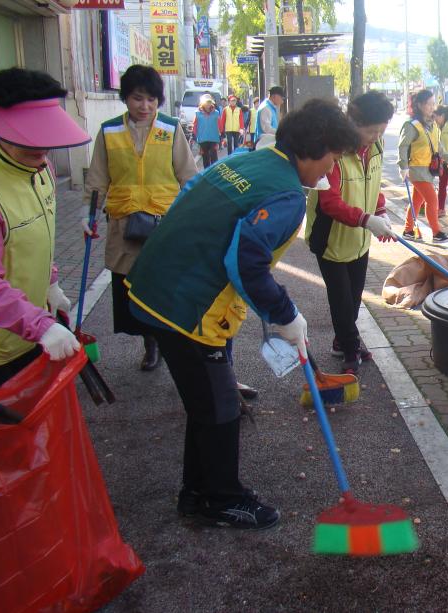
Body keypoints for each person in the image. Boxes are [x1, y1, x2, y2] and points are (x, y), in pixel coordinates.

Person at [126, 99, 361, 530]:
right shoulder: (288, 195)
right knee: (219, 409)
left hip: (157, 286)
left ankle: (196, 495)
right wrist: (286, 313)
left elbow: (189, 195)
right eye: (331, 160)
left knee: (206, 405)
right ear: (315, 147)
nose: (330, 172)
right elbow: (246, 261)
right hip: (189, 307)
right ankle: (221, 499)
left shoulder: (247, 159)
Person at [83, 64, 197, 372]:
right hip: (124, 224)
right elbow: (97, 178)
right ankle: (150, 342)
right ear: (125, 98)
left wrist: (195, 216)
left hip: (164, 224)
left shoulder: (171, 129)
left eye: (151, 99)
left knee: (163, 285)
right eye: (137, 98)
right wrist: (88, 215)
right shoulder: (109, 131)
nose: (144, 106)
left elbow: (188, 175)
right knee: (129, 285)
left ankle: (168, 340)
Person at [0, 68, 88, 386]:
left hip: (32, 334)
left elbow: (37, 239)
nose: (41, 147)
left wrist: (50, 283)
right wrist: (39, 325)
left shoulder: (41, 170)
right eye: (28, 135)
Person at [305, 91, 397, 375]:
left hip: (359, 238)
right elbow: (329, 202)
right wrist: (367, 219)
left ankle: (342, 340)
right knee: (341, 299)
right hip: (330, 238)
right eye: (371, 130)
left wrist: (379, 211)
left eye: (381, 130)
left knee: (355, 297)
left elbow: (374, 182)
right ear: (353, 124)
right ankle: (348, 348)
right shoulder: (334, 152)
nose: (375, 136)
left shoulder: (376, 146)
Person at [397, 89, 448, 243]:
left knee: (417, 201)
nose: (433, 107)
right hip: (416, 170)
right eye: (429, 104)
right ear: (419, 105)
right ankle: (436, 233)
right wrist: (403, 167)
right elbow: (403, 146)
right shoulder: (412, 125)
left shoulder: (432, 124)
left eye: (434, 103)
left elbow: (437, 145)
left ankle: (408, 230)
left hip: (428, 169)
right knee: (432, 200)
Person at [192, 93, 220, 168]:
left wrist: (222, 135)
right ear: (203, 103)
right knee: (205, 158)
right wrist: (194, 135)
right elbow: (195, 125)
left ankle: (215, 173)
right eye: (206, 102)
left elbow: (219, 125)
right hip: (202, 138)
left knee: (214, 157)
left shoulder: (216, 113)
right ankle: (207, 173)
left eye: (209, 102)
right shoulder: (197, 113)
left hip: (213, 138)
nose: (208, 104)